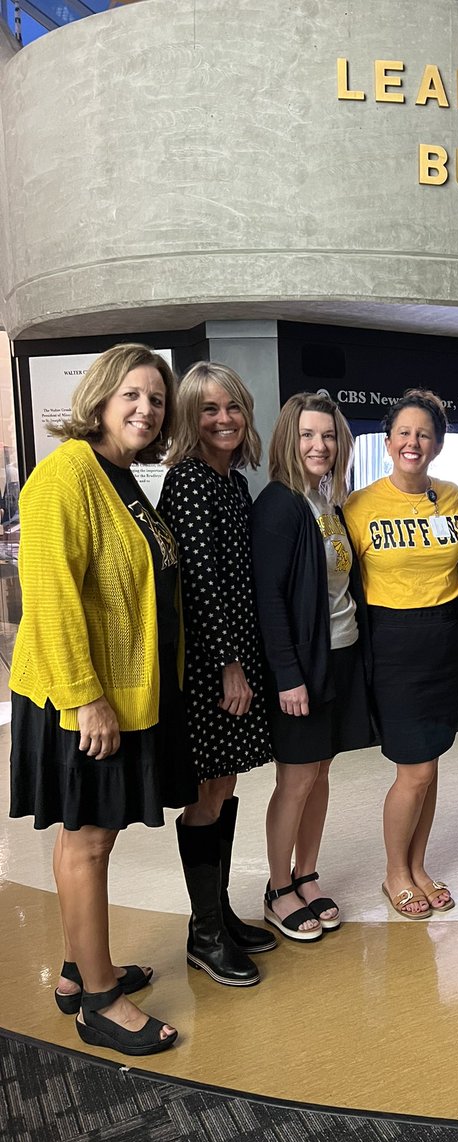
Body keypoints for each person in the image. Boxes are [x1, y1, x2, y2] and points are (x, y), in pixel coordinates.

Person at [9, 343, 192, 1055]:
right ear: (101, 398)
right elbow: (50, 597)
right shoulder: (65, 475)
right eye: (132, 395)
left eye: (155, 398)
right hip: (78, 697)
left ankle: (78, 969)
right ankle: (99, 1003)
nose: (146, 408)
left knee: (96, 835)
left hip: (121, 691)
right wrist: (87, 698)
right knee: (86, 840)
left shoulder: (122, 477)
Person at [158, 363, 275, 987]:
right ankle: (204, 935)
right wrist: (231, 665)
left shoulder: (231, 481)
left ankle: (218, 914)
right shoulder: (189, 481)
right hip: (210, 666)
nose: (224, 418)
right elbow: (201, 588)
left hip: (235, 659)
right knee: (207, 797)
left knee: (224, 792)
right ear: (189, 418)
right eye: (208, 410)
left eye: (231, 407)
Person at [251, 392, 371, 941]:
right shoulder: (279, 504)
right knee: (296, 778)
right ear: (288, 440)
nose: (319, 445)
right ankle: (278, 889)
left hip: (339, 658)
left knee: (321, 774)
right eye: (307, 435)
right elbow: (268, 599)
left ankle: (307, 874)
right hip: (303, 667)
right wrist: (288, 676)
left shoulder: (327, 501)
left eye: (327, 436)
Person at [344, 389, 458, 919]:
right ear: (389, 440)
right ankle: (395, 873)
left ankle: (419, 866)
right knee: (412, 771)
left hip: (445, 639)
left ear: (437, 444)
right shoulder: (358, 506)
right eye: (404, 433)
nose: (413, 442)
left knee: (431, 765)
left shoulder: (454, 497)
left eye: (424, 434)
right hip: (393, 644)